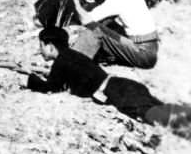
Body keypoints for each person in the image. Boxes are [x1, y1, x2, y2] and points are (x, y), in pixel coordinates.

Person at [26, 27, 190, 133]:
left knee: (160, 117)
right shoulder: (72, 56)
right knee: (169, 113)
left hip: (118, 93)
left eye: (41, 46)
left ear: (50, 46)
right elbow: (62, 77)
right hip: (123, 85)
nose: (40, 51)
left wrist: (29, 78)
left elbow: (50, 87)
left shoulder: (61, 61)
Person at [66, 0, 158, 69]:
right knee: (105, 27)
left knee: (94, 30)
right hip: (150, 50)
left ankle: (71, 67)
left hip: (141, 52)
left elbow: (86, 19)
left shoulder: (115, 0)